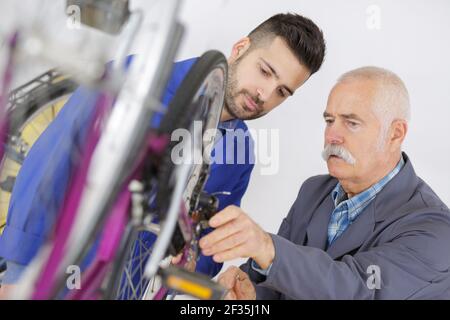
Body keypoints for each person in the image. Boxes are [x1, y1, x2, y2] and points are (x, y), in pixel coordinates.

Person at [0, 13, 326, 295]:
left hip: (128, 290)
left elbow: (208, 245)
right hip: (51, 268)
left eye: (282, 91)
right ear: (240, 49)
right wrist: (19, 265)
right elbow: (53, 162)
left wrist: (203, 262)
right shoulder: (135, 78)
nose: (265, 93)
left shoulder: (241, 154)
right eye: (265, 71)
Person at [202, 66, 450, 299]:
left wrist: (269, 249)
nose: (332, 135)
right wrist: (249, 291)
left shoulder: (434, 230)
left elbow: (355, 289)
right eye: (330, 120)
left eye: (351, 123)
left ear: (396, 133)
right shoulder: (314, 191)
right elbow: (279, 281)